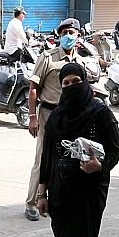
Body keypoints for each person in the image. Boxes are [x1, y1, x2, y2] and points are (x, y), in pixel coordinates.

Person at [35, 61, 119, 237]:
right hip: (60, 187)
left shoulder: (100, 113)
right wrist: (42, 193)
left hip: (90, 188)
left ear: (85, 82)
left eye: (76, 81)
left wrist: (100, 166)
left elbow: (115, 150)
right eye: (66, 83)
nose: (72, 86)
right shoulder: (57, 118)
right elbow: (47, 157)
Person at [26, 18, 85, 220]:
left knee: (70, 157)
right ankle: (32, 202)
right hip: (48, 114)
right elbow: (33, 89)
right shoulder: (47, 58)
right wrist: (32, 117)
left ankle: (61, 200)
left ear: (78, 36)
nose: (68, 36)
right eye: (64, 32)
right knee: (43, 157)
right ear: (59, 36)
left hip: (72, 116)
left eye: (72, 32)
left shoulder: (80, 62)